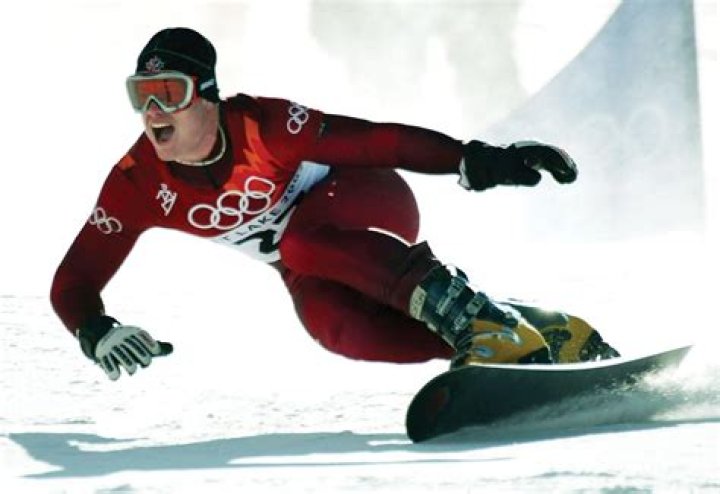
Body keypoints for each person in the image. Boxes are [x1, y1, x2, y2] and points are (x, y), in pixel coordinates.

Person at [50, 27, 618, 381]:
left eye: (168, 93)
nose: (153, 111)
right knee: (336, 328)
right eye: (141, 95)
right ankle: (526, 334)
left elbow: (377, 142)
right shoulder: (137, 183)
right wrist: (95, 329)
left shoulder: (263, 126)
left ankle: (482, 322)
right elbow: (74, 278)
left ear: (207, 96)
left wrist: (472, 158)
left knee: (302, 242)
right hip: (308, 260)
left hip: (368, 202)